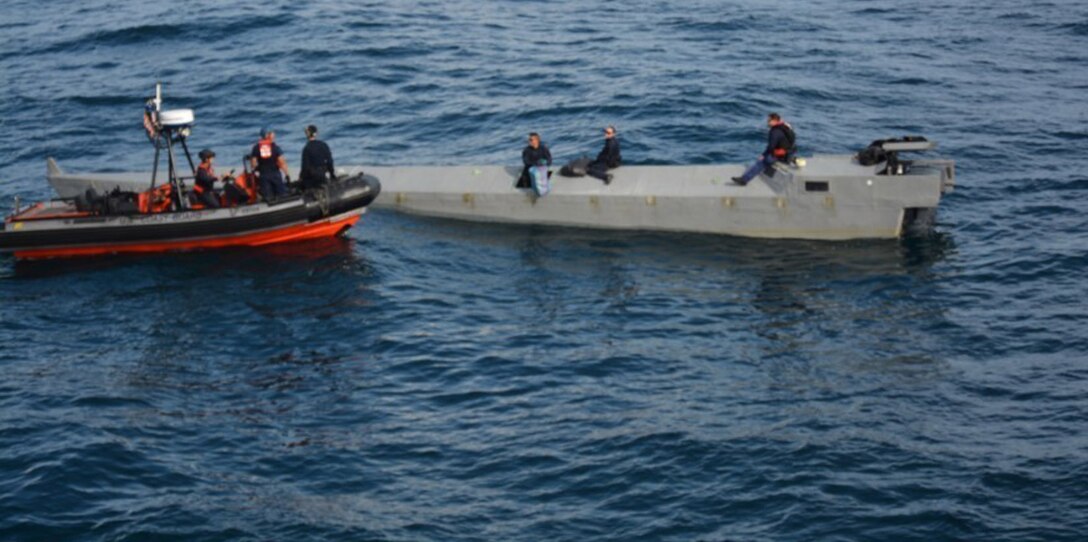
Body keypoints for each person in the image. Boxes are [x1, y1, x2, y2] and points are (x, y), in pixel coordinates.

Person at [732, 112, 796, 186]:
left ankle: (744, 180)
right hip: (790, 153)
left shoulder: (775, 132)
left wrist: (763, 155)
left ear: (775, 120)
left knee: (762, 161)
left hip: (782, 155)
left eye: (769, 121)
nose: (767, 122)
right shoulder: (785, 127)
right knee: (765, 158)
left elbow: (771, 146)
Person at [250, 127, 290, 200]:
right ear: (267, 135)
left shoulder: (256, 148)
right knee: (282, 196)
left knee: (268, 198)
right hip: (275, 175)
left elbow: (253, 164)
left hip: (263, 176)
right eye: (272, 133)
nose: (274, 135)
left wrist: (257, 169)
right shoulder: (275, 147)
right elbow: (282, 162)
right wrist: (287, 174)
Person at [299, 124, 336, 190]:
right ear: (316, 133)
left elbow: (305, 167)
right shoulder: (323, 145)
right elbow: (330, 161)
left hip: (312, 177)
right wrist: (332, 173)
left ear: (307, 135)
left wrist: (301, 177)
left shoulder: (306, 148)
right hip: (322, 174)